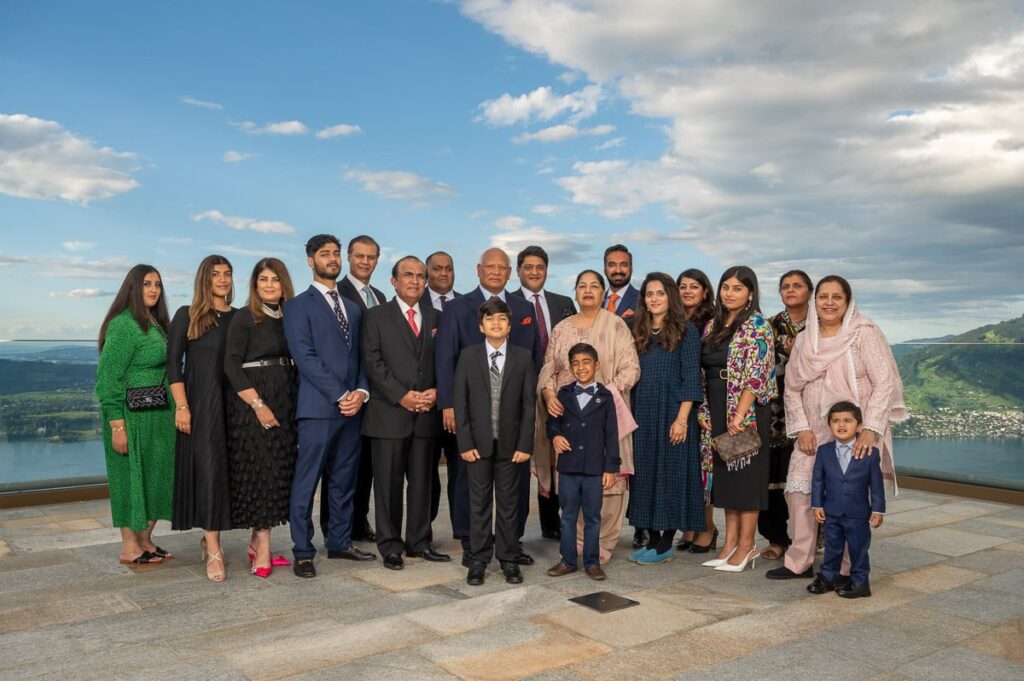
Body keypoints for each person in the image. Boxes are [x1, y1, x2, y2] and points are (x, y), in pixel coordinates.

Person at [779, 275, 906, 582]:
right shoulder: (806, 337)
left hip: (855, 431)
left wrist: (870, 429)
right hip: (813, 430)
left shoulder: (864, 333)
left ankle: (847, 569)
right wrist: (802, 428)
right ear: (815, 301)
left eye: (837, 297)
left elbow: (884, 382)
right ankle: (799, 562)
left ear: (848, 302)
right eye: (824, 296)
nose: (830, 302)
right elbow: (791, 388)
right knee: (799, 493)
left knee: (850, 499)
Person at [435, 247, 541, 568]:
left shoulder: (523, 308)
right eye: (490, 266)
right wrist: (449, 404)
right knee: (469, 480)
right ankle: (471, 542)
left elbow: (532, 356)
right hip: (472, 413)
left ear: (510, 273)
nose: (495, 272)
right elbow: (445, 358)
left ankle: (512, 541)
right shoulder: (456, 308)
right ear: (479, 269)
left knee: (516, 484)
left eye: (502, 267)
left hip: (511, 415)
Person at [283, 234, 373, 579]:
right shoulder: (297, 306)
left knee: (343, 481)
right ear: (311, 261)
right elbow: (304, 357)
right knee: (306, 482)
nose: (332, 259)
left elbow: (362, 355)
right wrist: (341, 394)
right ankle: (303, 551)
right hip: (318, 409)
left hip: (352, 411)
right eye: (325, 254)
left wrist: (361, 393)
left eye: (336, 254)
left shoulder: (353, 308)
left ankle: (338, 541)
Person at [539, 270, 640, 564]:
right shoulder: (562, 329)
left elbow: (631, 368)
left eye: (594, 285)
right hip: (568, 415)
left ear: (603, 292)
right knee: (572, 477)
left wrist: (605, 395)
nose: (587, 290)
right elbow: (548, 369)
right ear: (574, 291)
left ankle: (604, 541)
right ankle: (578, 541)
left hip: (605, 413)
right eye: (581, 285)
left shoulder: (617, 325)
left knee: (607, 476)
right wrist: (548, 395)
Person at [361, 256, 449, 570]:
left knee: (424, 483)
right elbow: (372, 362)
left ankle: (419, 542)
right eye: (407, 275)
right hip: (389, 415)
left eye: (420, 276)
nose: (414, 281)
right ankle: (391, 546)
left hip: (426, 414)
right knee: (388, 485)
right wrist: (401, 396)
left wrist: (438, 391)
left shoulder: (438, 317)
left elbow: (446, 361)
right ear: (394, 281)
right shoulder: (375, 317)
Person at [697, 265, 777, 573]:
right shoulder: (712, 325)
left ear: (751, 293)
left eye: (737, 288)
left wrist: (740, 414)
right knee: (727, 479)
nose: (730, 293)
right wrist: (705, 410)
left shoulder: (758, 325)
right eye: (726, 287)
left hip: (745, 410)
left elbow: (758, 374)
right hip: (717, 404)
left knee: (746, 479)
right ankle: (729, 543)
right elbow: (703, 370)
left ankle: (748, 546)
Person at [95, 265, 175, 566]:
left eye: (157, 284)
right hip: (130, 417)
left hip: (158, 415)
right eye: (146, 284)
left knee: (156, 477)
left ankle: (145, 540)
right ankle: (130, 547)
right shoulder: (124, 324)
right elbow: (107, 378)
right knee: (130, 479)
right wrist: (117, 424)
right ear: (133, 288)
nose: (153, 290)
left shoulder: (155, 322)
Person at [454, 298, 537, 586]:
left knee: (509, 504)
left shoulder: (523, 357)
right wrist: (464, 443)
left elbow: (529, 404)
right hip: (477, 445)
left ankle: (509, 559)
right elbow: (460, 403)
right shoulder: (468, 356)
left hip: (511, 446)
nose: (496, 324)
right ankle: (477, 559)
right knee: (478, 504)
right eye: (490, 320)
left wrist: (526, 444)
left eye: (502, 319)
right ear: (481, 326)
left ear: (510, 325)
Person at [224, 258, 297, 578]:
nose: (269, 285)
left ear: (284, 284)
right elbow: (230, 365)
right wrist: (258, 404)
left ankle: (257, 541)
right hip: (253, 401)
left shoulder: (290, 318)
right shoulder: (244, 317)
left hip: (286, 397)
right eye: (263, 279)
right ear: (254, 285)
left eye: (275, 279)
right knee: (261, 472)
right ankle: (263, 549)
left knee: (279, 472)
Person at [626, 273, 705, 565]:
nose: (654, 298)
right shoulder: (639, 330)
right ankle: (653, 540)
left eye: (660, 293)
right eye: (649, 294)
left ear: (670, 296)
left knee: (672, 476)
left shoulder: (686, 331)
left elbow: (690, 380)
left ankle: (665, 544)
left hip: (673, 414)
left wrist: (682, 419)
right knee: (647, 476)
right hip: (643, 414)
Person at [167, 255, 236, 582]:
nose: (223, 280)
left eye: (227, 274)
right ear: (204, 280)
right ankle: (214, 549)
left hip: (235, 405)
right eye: (216, 275)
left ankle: (213, 538)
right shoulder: (188, 315)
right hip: (201, 403)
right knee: (209, 473)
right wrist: (182, 406)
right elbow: (172, 365)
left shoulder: (240, 318)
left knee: (229, 475)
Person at [511, 245, 577, 541]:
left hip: (559, 390)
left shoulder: (563, 303)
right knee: (525, 456)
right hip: (520, 390)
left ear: (547, 270)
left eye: (540, 267)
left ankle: (554, 522)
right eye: (528, 267)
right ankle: (515, 529)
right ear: (518, 271)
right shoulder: (508, 303)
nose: (534, 272)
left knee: (555, 454)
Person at [546, 343, 619, 581]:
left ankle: (592, 562)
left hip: (594, 468)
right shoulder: (563, 393)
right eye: (575, 363)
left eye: (586, 362)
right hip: (568, 467)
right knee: (567, 515)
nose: (581, 367)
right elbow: (552, 423)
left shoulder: (606, 397)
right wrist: (555, 436)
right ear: (570, 367)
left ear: (596, 365)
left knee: (592, 517)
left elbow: (611, 434)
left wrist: (610, 468)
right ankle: (567, 560)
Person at [331, 235, 387, 543]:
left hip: (374, 393)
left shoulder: (379, 294)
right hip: (347, 391)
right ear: (349, 258)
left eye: (371, 257)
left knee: (365, 464)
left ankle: (358, 521)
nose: (365, 262)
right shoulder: (336, 291)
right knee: (340, 466)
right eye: (360, 256)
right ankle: (335, 525)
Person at [761, 270, 812, 566]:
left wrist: (800, 354)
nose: (791, 290)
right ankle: (777, 538)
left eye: (798, 285)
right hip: (775, 414)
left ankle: (813, 534)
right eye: (786, 286)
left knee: (809, 477)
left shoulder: (821, 326)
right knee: (773, 479)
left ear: (809, 290)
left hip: (813, 413)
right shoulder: (770, 326)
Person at [807, 401, 885, 598]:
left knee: (859, 549)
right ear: (829, 425)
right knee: (832, 547)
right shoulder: (824, 451)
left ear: (859, 426)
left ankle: (860, 583)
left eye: (848, 421)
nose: (841, 425)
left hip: (858, 513)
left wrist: (878, 510)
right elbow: (818, 480)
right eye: (836, 421)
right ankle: (828, 578)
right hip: (832, 511)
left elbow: (876, 485)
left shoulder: (870, 453)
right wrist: (817, 504)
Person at [602, 244, 645, 549]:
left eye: (623, 264)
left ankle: (640, 522)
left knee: (635, 459)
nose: (618, 269)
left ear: (631, 267)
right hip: (596, 393)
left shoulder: (641, 300)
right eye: (612, 264)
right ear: (605, 267)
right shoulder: (594, 299)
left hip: (633, 390)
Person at [675, 268, 717, 552]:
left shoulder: (712, 322)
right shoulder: (674, 320)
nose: (688, 291)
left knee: (705, 469)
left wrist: (705, 409)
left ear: (705, 291)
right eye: (683, 286)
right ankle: (690, 523)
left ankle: (708, 528)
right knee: (687, 468)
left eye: (694, 286)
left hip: (704, 402)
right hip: (680, 402)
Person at [421, 250, 461, 542]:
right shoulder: (411, 303)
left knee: (461, 471)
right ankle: (424, 528)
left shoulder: (466, 305)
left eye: (448, 268)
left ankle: (463, 528)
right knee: (425, 472)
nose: (443, 273)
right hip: (425, 404)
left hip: (460, 403)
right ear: (427, 272)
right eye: (437, 268)